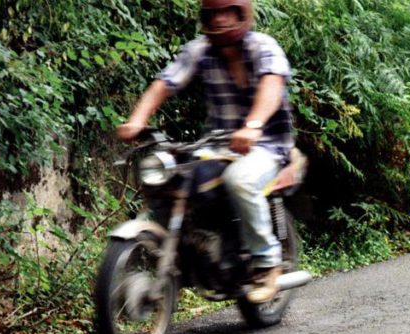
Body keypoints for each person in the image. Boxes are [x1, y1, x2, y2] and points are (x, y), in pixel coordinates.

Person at [117, 0, 294, 304]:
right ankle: (169, 257)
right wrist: (137, 119)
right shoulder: (199, 50)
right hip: (216, 144)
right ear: (205, 17)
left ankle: (267, 263)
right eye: (215, 13)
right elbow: (165, 83)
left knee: (240, 180)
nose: (222, 20)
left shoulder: (263, 47)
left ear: (243, 14)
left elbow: (272, 86)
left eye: (229, 12)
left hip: (266, 143)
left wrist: (252, 125)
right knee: (171, 181)